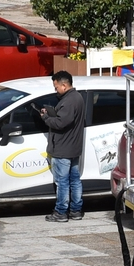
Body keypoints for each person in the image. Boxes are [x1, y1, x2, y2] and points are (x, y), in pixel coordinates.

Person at [39, 71, 87, 223]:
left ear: (64, 85)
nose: (56, 90)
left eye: (56, 87)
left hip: (63, 148)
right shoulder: (77, 97)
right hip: (73, 147)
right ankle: (76, 210)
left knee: (62, 182)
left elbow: (60, 123)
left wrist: (46, 118)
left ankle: (60, 212)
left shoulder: (68, 101)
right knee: (75, 180)